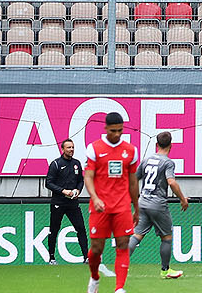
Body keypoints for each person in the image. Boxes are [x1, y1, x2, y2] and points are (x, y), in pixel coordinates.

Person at [83, 111, 137, 293]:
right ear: (105, 128)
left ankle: (119, 288)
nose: (117, 134)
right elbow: (88, 177)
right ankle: (95, 277)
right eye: (113, 130)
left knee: (123, 244)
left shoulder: (130, 150)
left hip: (122, 206)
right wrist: (95, 197)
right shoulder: (94, 148)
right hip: (101, 206)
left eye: (120, 131)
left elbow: (132, 181)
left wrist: (136, 207)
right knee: (96, 249)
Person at [128, 131, 188, 280]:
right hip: (157, 204)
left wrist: (135, 198)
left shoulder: (147, 159)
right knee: (166, 237)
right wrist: (182, 199)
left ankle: (121, 264)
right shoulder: (168, 163)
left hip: (143, 201)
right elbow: (171, 182)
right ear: (171, 146)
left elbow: (134, 179)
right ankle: (165, 270)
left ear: (156, 144)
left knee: (137, 234)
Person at [44, 138, 85, 264]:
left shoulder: (77, 163)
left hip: (72, 203)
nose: (71, 150)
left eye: (72, 147)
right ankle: (51, 257)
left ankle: (86, 257)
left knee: (81, 228)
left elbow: (80, 180)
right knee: (54, 229)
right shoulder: (56, 164)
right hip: (58, 202)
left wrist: (78, 190)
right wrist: (63, 191)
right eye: (69, 147)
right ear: (63, 149)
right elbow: (48, 183)